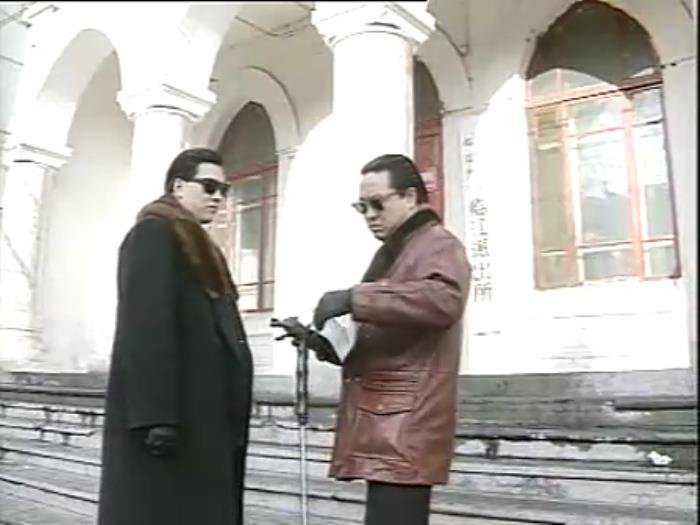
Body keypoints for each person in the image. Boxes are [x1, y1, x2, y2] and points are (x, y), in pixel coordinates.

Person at [285, 153, 471, 525]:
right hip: (388, 421)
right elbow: (384, 336)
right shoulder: (396, 253)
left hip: (407, 424)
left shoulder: (438, 244)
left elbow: (443, 300)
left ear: (411, 197)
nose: (370, 215)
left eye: (377, 204)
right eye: (362, 207)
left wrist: (356, 298)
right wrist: (321, 344)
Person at [97, 148, 253, 525]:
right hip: (174, 419)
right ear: (178, 186)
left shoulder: (196, 243)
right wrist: (156, 417)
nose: (218, 197)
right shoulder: (154, 233)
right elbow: (144, 326)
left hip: (203, 413)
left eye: (224, 190)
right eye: (209, 186)